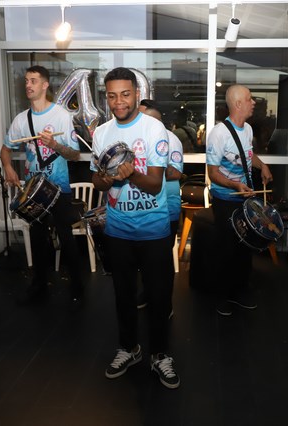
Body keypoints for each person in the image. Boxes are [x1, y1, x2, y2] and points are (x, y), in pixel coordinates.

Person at [91, 67, 179, 389]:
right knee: (123, 296)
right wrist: (107, 177)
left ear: (137, 94)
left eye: (125, 94)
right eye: (112, 95)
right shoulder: (101, 133)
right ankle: (129, 349)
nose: (119, 101)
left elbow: (155, 184)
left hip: (154, 230)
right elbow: (96, 179)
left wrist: (130, 174)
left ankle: (160, 355)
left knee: (159, 298)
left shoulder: (154, 128)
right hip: (118, 231)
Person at [0, 65, 85, 304]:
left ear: (45, 85)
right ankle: (39, 283)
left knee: (66, 237)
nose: (28, 85)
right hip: (33, 189)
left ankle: (77, 285)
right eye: (26, 80)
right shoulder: (21, 119)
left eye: (33, 81)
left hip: (58, 188)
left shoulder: (61, 116)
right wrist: (8, 167)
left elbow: (74, 155)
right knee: (37, 238)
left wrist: (55, 145)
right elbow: (6, 149)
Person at [206, 84, 273, 316]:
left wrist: (263, 166)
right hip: (225, 198)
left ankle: (240, 291)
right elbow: (213, 173)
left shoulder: (248, 129)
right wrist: (235, 185)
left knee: (245, 246)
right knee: (227, 248)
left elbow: (247, 156)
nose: (253, 102)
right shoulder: (219, 133)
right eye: (249, 98)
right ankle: (222, 296)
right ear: (237, 104)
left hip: (244, 196)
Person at [137, 99, 183, 313]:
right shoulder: (138, 138)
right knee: (145, 259)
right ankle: (148, 294)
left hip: (167, 209)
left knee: (162, 261)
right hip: (144, 207)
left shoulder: (171, 139)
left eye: (143, 117)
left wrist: (152, 168)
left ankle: (165, 305)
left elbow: (176, 173)